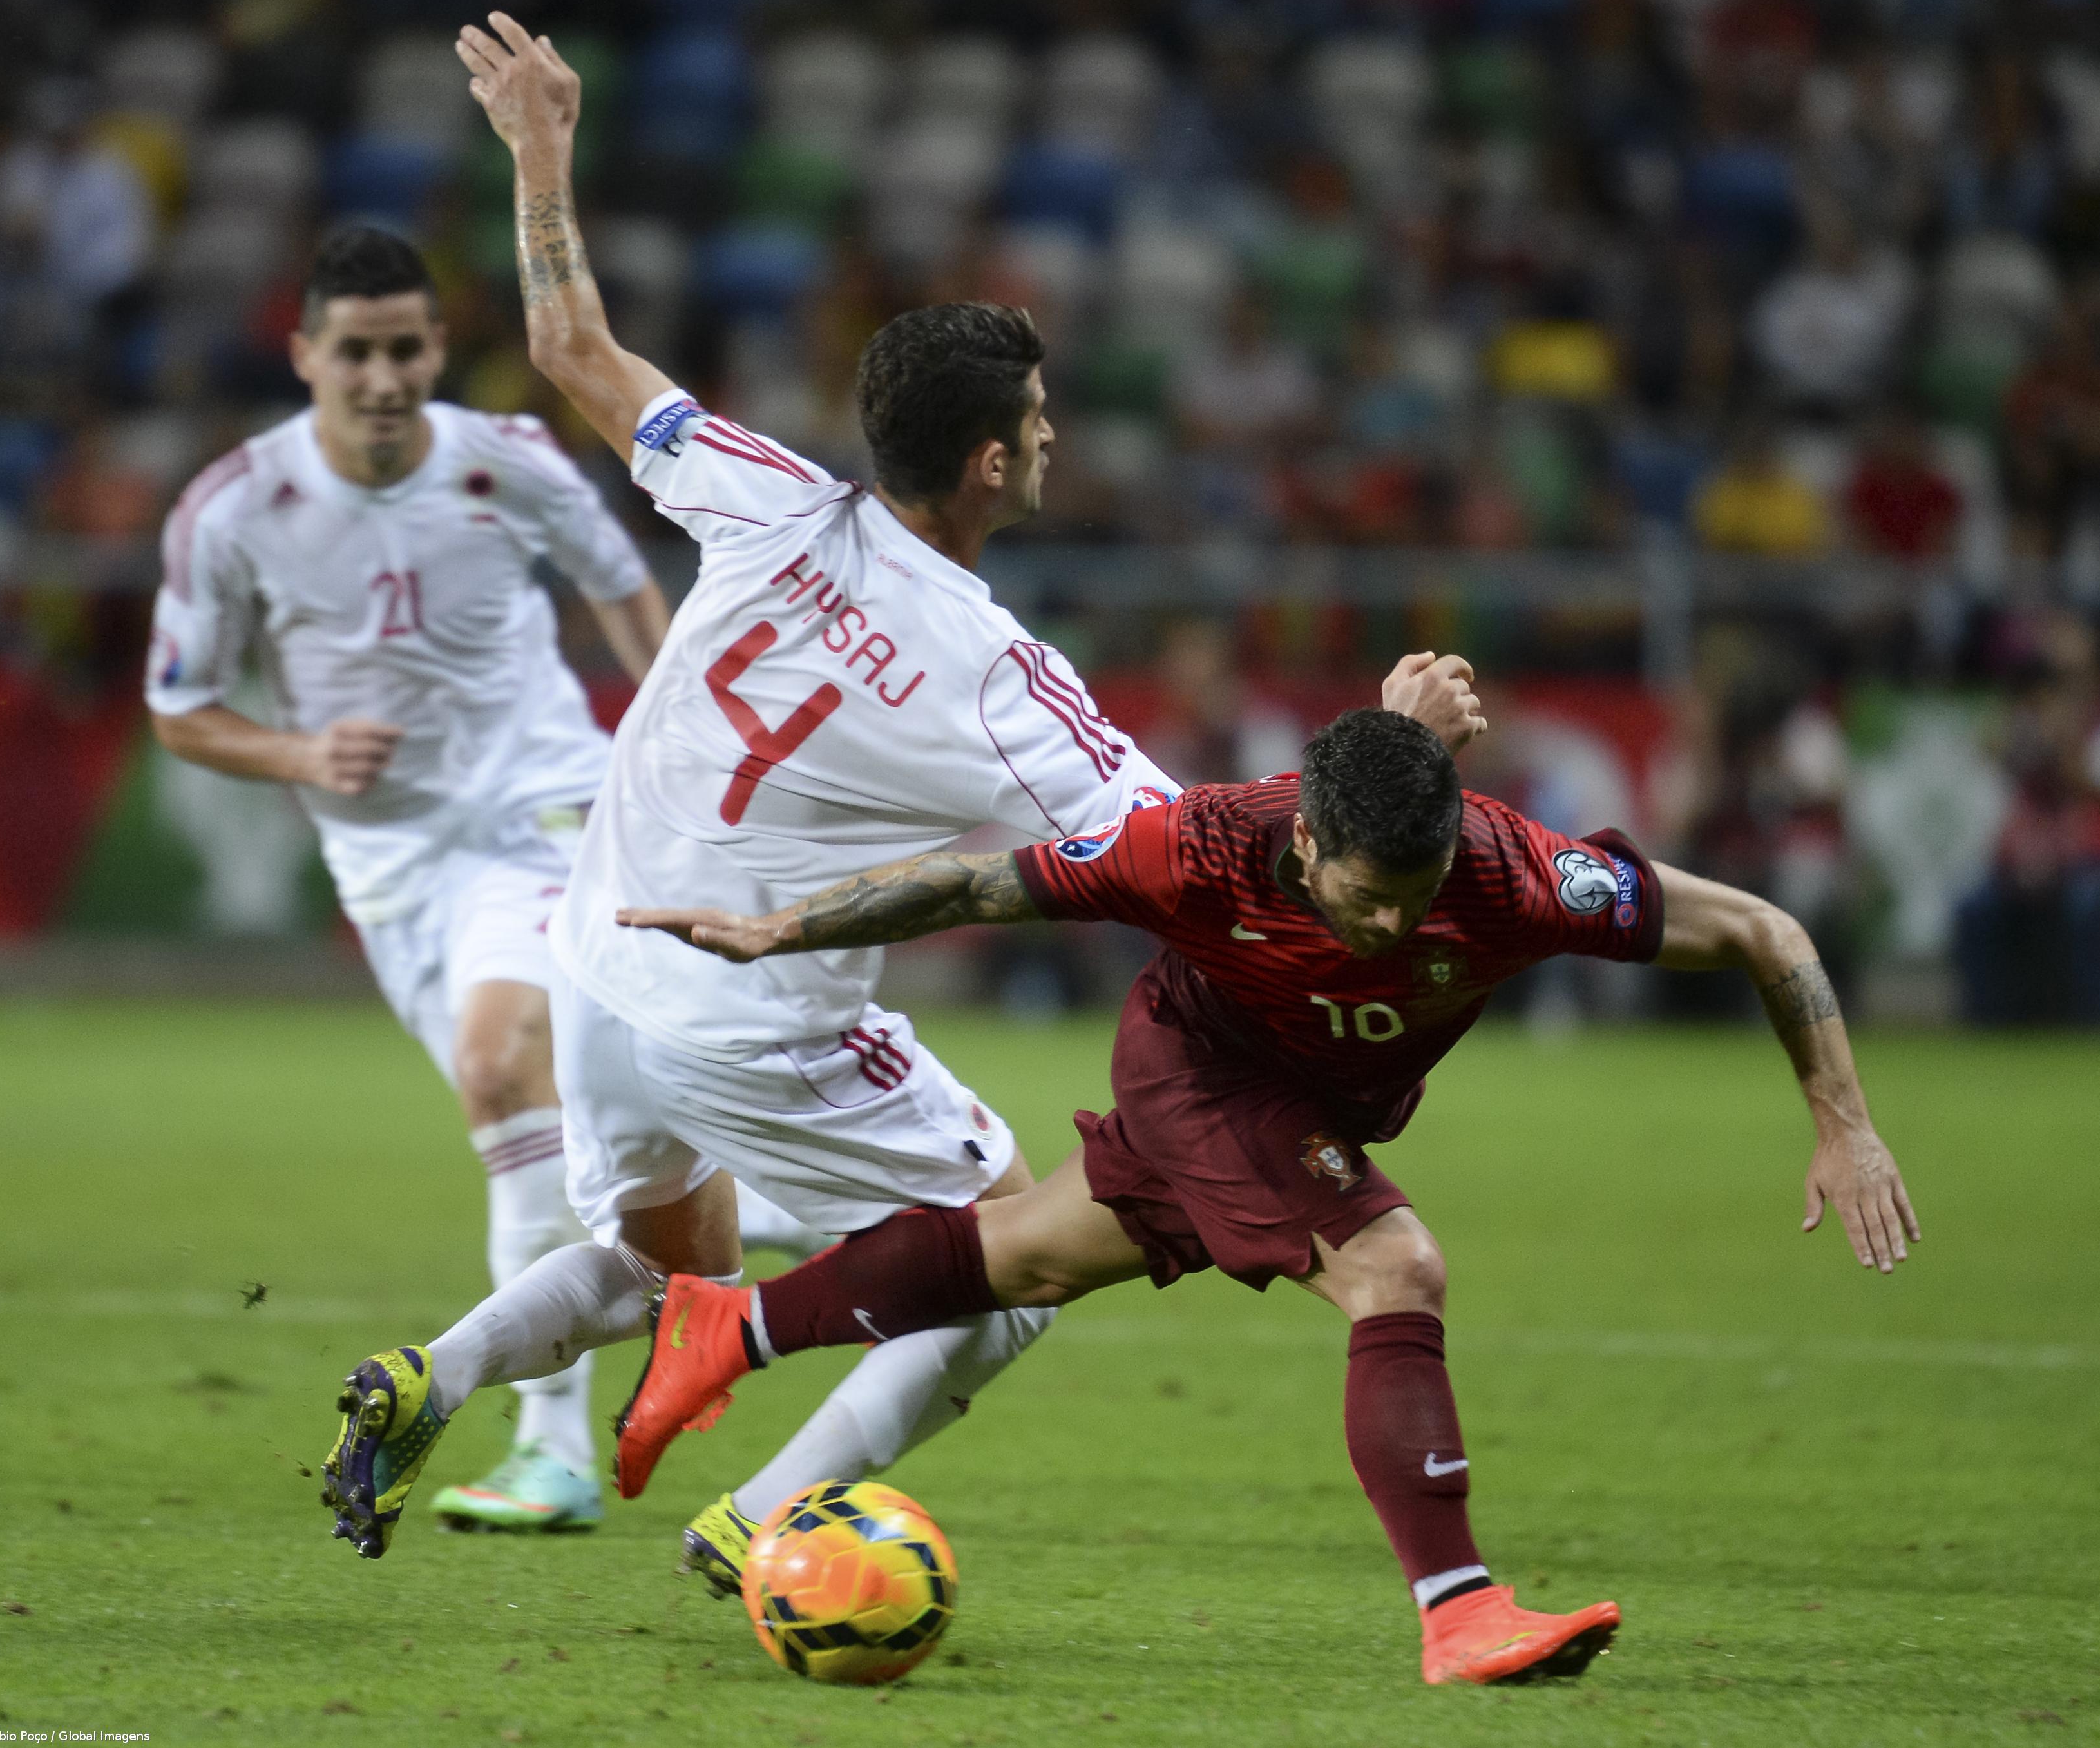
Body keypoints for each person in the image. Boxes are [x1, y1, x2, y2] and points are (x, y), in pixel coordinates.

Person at [310, 12, 1490, 1571]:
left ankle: (434, 1371)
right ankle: (764, 1522)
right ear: (994, 462)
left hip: (593, 962)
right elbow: (1204, 847)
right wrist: (1393, 738)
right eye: (1044, 424)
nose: (1055, 439)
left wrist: (540, 149)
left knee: (672, 1259)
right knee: (1015, 1254)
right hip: (746, 1019)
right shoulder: (999, 680)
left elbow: (571, 351)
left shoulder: (767, 496)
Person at [615, 708, 1923, 1687]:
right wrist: (778, 929)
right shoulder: (1200, 847)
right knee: (1393, 1266)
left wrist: (1844, 1122)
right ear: (1305, 839)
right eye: (1367, 896)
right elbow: (974, 881)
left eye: (1416, 900)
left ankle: (726, 1330)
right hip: (1198, 1072)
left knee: (1026, 1255)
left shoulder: (1517, 875)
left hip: (1291, 1103)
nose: (1393, 928)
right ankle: (1457, 1604)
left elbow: (1765, 933)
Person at [145, 224, 817, 1538]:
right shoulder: (232, 510)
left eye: (406, 347)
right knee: (551, 1122)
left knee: (501, 1059)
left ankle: (550, 1448)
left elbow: (633, 595)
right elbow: (179, 706)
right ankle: (766, 1214)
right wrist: (294, 748)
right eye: (356, 352)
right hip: (391, 867)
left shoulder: (506, 462)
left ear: (438, 348)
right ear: (305, 355)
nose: (384, 376)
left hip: (542, 809)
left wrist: (670, 753)